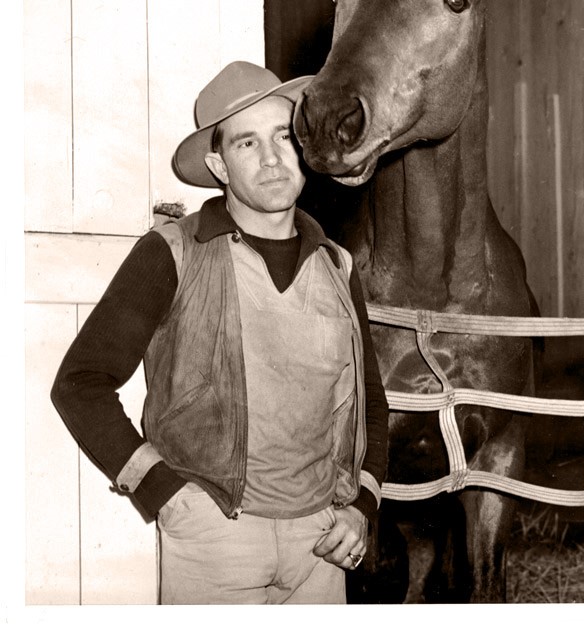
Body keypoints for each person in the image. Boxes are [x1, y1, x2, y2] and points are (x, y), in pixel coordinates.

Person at [51, 61, 389, 605]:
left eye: (284, 135)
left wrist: (362, 505)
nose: (273, 159)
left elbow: (371, 400)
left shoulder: (338, 266)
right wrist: (163, 493)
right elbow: (79, 384)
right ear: (219, 165)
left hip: (319, 546)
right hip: (215, 542)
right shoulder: (172, 252)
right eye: (247, 143)